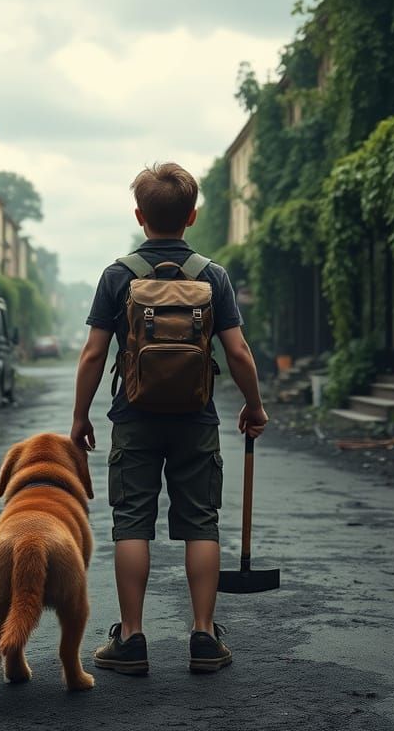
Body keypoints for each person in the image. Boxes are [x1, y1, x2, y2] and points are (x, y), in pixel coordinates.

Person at [70, 161, 269, 676]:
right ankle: (203, 637)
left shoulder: (118, 275)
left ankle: (132, 639)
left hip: (134, 417)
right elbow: (239, 351)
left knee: (131, 521)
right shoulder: (213, 276)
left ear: (140, 216)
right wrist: (254, 404)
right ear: (192, 216)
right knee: (201, 523)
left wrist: (79, 418)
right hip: (196, 418)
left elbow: (93, 355)